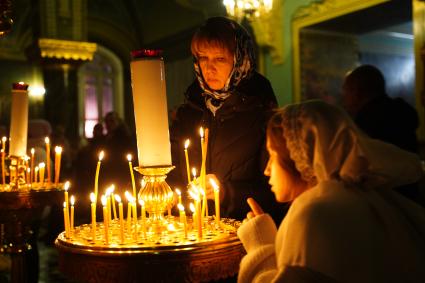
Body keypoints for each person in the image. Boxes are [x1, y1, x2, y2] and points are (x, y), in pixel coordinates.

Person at [237, 100, 425, 283]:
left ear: (297, 157)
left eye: (273, 155)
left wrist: (260, 247)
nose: (267, 170)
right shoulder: (362, 198)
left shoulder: (314, 213)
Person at [168, 16, 284, 222]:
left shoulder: (262, 113)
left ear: (240, 60)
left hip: (242, 233)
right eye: (203, 58)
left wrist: (226, 193)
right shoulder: (188, 113)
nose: (209, 68)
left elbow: (278, 193)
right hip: (191, 231)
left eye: (220, 59)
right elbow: (174, 174)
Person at [341, 64, 419, 153]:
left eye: (346, 90)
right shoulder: (403, 114)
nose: (343, 97)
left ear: (356, 91)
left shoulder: (366, 123)